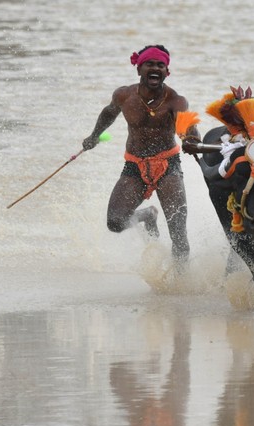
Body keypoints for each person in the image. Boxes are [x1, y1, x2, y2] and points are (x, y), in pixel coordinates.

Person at [82, 45, 199, 264]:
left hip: (168, 166)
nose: (155, 68)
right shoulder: (123, 95)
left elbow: (188, 128)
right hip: (134, 166)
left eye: (160, 65)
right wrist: (94, 136)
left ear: (167, 72)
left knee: (178, 234)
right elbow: (108, 113)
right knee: (115, 222)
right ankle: (146, 216)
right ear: (139, 69)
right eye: (149, 64)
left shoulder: (176, 101)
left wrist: (192, 140)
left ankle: (181, 287)